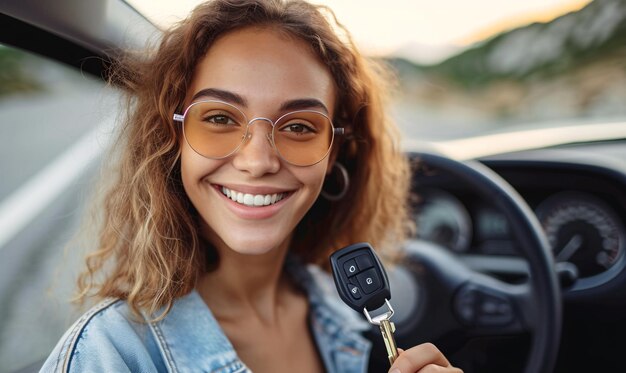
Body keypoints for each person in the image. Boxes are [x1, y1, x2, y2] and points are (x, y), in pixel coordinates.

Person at [41, 0, 462, 372]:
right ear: (172, 140)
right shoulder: (108, 355)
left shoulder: (342, 316)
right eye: (221, 118)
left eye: (299, 126)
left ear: (334, 154)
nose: (258, 161)